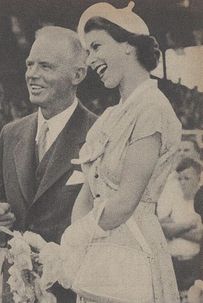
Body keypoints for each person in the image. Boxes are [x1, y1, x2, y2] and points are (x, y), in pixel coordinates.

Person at [25, 2, 182, 302]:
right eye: (88, 50)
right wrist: (74, 249)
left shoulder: (152, 107)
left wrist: (75, 237)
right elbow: (89, 191)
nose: (91, 59)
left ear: (127, 45)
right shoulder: (109, 118)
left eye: (97, 46)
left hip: (134, 251)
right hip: (99, 253)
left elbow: (125, 201)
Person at [0, 26, 97, 303]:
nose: (32, 74)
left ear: (78, 75)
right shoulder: (10, 134)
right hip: (17, 289)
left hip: (76, 290)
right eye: (29, 64)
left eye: (45, 66)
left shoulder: (100, 133)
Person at [159, 158, 203, 302]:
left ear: (198, 177)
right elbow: (161, 229)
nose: (183, 182)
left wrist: (174, 228)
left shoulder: (200, 202)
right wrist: (188, 225)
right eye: (180, 179)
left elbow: (200, 237)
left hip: (194, 265)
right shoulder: (173, 199)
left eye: (187, 178)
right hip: (172, 263)